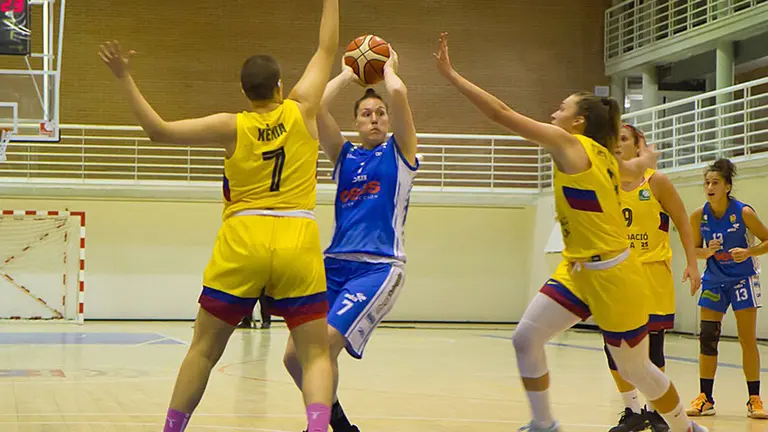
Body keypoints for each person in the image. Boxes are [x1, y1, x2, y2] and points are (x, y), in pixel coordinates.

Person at [434, 32, 707, 432]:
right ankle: (544, 423)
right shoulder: (604, 156)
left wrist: (451, 75)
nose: (554, 112)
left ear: (578, 121)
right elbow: (632, 168)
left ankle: (686, 429)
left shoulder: (568, 143)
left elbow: (500, 112)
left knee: (637, 369)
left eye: (562, 108)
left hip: (615, 275)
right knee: (526, 338)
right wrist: (645, 159)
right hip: (577, 270)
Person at [98, 1, 339, 430]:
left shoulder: (232, 125)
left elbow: (159, 132)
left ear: (245, 92)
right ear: (280, 86)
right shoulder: (302, 108)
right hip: (297, 237)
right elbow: (326, 48)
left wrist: (124, 77)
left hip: (242, 238)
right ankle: (318, 427)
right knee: (316, 353)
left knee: (203, 351)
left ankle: (172, 428)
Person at [282, 47, 419, 432]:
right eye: (366, 114)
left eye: (380, 113)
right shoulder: (345, 156)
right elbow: (314, 108)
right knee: (293, 358)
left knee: (323, 346)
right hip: (333, 265)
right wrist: (347, 74)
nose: (374, 119)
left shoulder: (400, 152)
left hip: (378, 267)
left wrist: (387, 69)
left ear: (388, 120)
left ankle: (317, 427)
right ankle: (341, 426)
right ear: (355, 122)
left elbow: (400, 93)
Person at [605, 124, 701, 432]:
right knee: (613, 347)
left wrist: (692, 263)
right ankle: (633, 410)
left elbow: (682, 220)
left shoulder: (656, 181)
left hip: (652, 273)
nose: (617, 143)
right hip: (617, 274)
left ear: (638, 145)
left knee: (652, 349)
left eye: (623, 138)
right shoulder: (606, 181)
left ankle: (656, 410)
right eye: (613, 138)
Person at [686, 158, 768, 419]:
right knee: (708, 338)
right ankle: (705, 398)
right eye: (707, 183)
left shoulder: (744, 212)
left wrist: (749, 252)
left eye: (715, 183)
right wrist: (706, 252)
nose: (710, 187)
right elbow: (694, 250)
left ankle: (754, 399)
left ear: (727, 187)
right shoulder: (698, 216)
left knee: (747, 339)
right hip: (714, 279)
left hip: (743, 278)